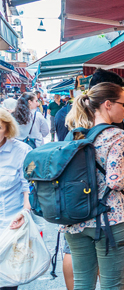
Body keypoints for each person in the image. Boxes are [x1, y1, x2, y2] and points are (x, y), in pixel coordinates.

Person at [61, 83, 124, 290]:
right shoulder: (116, 135)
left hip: (76, 218)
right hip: (111, 218)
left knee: (82, 283)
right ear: (108, 104)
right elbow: (115, 181)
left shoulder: (77, 133)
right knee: (112, 285)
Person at [0, 109, 33, 290]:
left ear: (7, 128)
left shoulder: (21, 151)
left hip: (11, 225)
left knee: (8, 282)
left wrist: (25, 212)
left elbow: (28, 187)